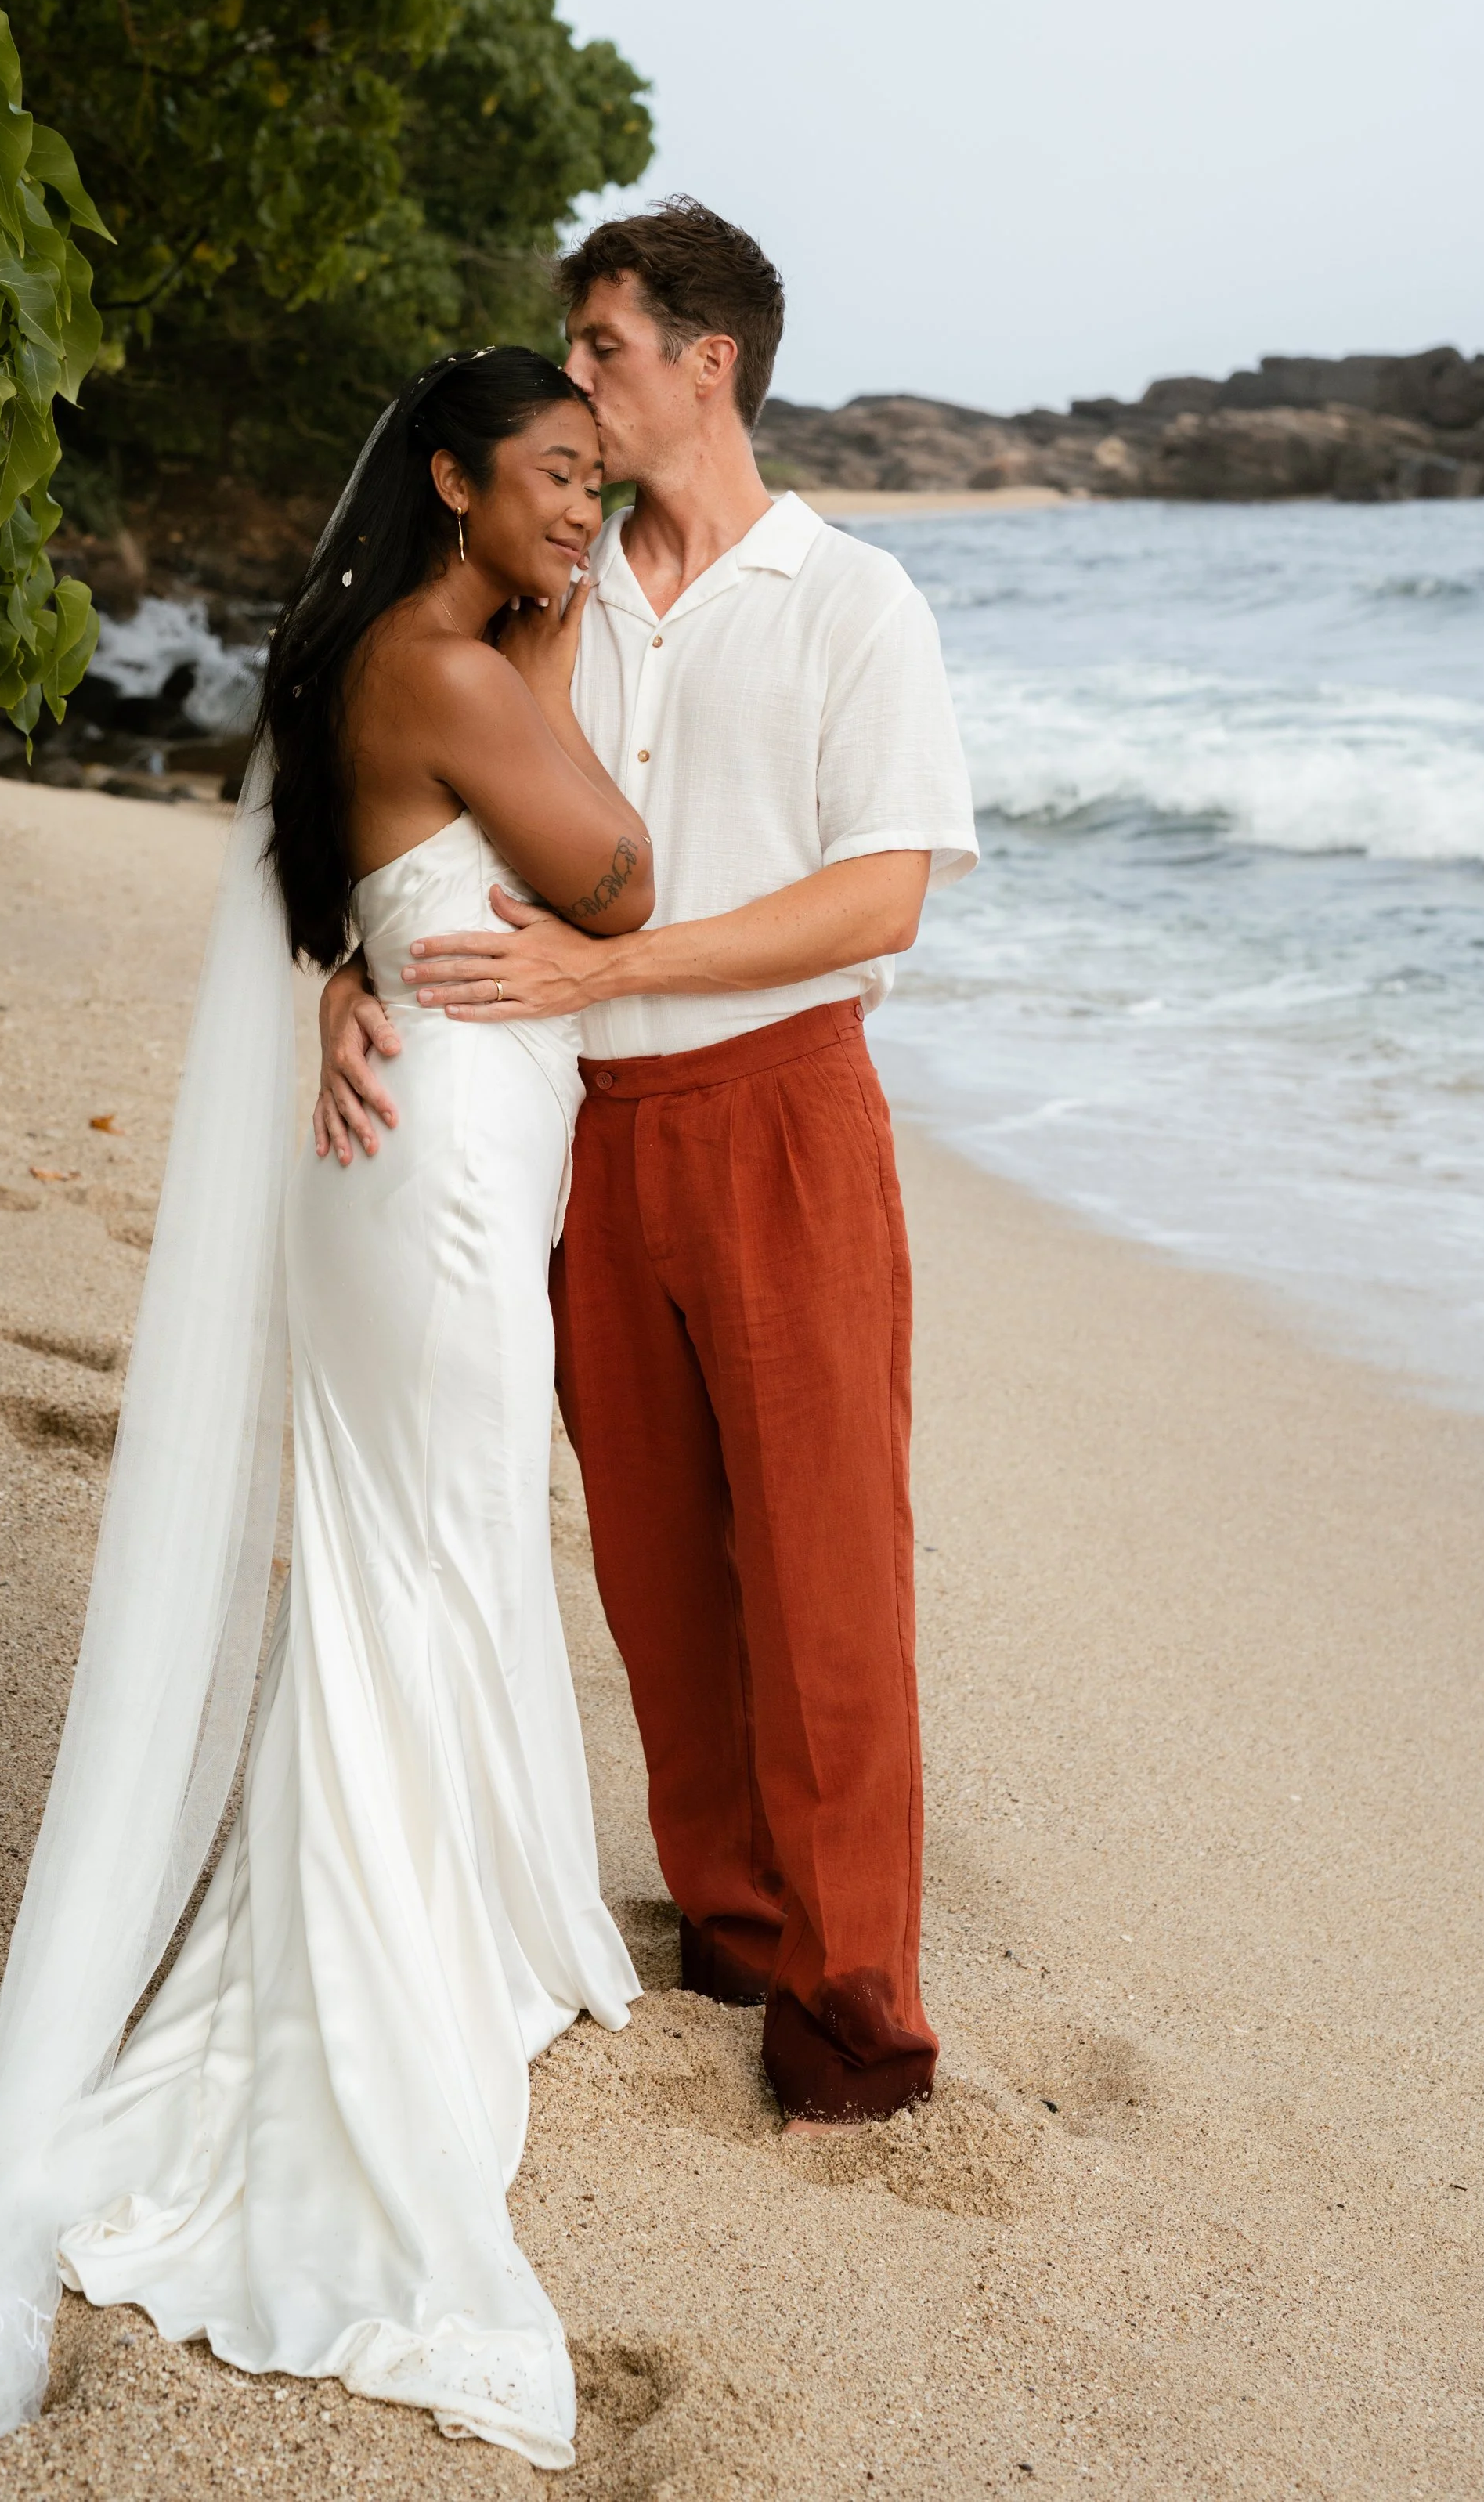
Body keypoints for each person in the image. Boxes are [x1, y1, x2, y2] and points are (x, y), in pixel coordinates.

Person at [0, 349, 655, 2475]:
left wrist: (353, 971)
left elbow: (334, 886)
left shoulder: (355, 653)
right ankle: (394, 1957)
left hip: (387, 1134)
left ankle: (473, 1905)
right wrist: (565, 652)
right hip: (444, 1173)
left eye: (601, 484)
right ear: (451, 482)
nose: (582, 511)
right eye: (554, 479)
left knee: (418, 1539)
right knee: (427, 1543)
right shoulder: (468, 663)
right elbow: (617, 880)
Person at [317, 202, 979, 2125]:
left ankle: (854, 2010)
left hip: (780, 1110)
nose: (577, 386)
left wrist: (623, 963)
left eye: (602, 348)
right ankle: (734, 1923)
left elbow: (881, 897)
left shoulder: (853, 599)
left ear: (709, 364)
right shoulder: (553, 593)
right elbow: (406, 780)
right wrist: (342, 978)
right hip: (581, 1129)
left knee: (823, 1562)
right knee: (654, 1566)